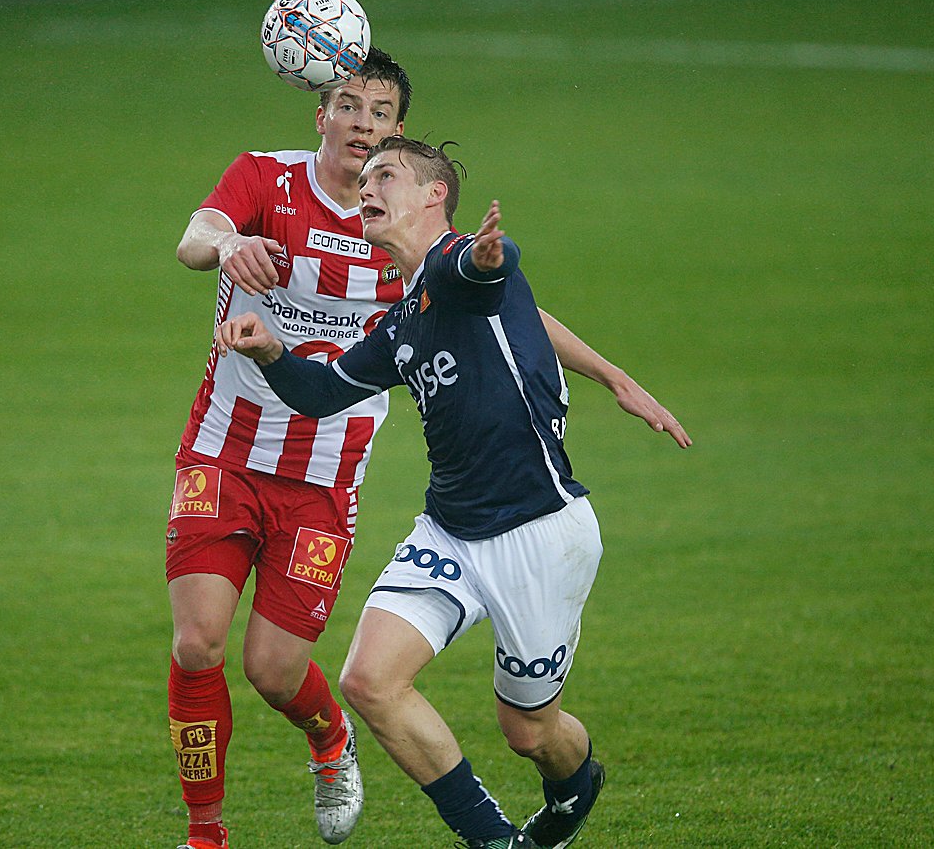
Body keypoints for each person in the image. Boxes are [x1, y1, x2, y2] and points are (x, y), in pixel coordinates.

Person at [167, 49, 682, 848]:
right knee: (346, 675)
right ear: (320, 112)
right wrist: (265, 343)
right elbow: (318, 382)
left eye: (384, 169)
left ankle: (573, 790)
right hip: (411, 516)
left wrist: (505, 276)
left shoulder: (452, 266)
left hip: (530, 531)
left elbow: (491, 279)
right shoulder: (396, 310)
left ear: (429, 189)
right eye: (349, 114)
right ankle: (488, 840)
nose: (366, 175)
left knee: (529, 731)